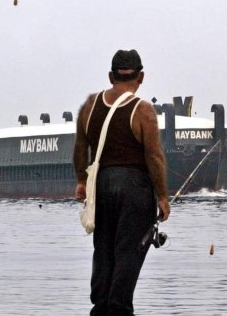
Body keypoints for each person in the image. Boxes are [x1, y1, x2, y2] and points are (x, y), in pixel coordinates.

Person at [73, 49, 171, 315]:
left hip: (102, 186)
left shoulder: (90, 105)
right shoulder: (143, 111)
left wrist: (82, 181)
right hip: (135, 189)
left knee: (103, 249)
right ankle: (119, 309)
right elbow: (154, 156)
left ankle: (100, 306)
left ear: (110, 76)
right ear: (141, 77)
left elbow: (81, 147)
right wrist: (162, 196)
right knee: (128, 251)